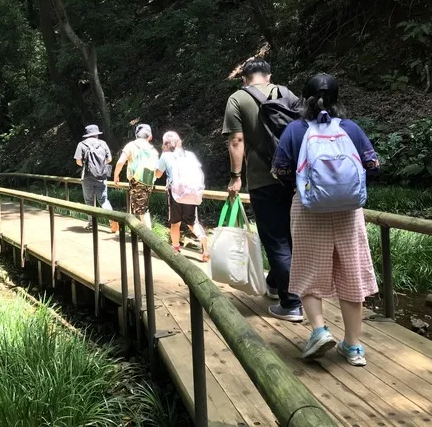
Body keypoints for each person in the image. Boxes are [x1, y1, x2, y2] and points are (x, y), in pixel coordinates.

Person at [271, 73, 379, 366]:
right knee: (351, 271)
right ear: (337, 99)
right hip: (348, 212)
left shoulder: (295, 130)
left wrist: (302, 186)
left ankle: (319, 330)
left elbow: (280, 171)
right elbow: (372, 164)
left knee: (308, 270)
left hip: (308, 209)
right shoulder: (350, 128)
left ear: (304, 100)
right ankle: (354, 347)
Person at [223, 57, 303, 322]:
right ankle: (274, 284)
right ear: (268, 76)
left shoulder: (237, 98)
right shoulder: (287, 93)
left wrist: (236, 177)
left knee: (276, 240)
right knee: (288, 237)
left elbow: (236, 139)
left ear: (244, 78)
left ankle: (292, 303)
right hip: (293, 178)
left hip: (262, 178)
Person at [155, 131, 208, 261]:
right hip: (192, 191)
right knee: (192, 222)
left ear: (165, 144)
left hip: (175, 193)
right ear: (180, 141)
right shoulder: (190, 155)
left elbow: (157, 174)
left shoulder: (165, 156)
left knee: (175, 223)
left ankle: (176, 250)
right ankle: (205, 247)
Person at [74, 124, 119, 233]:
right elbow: (109, 159)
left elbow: (78, 161)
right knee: (103, 200)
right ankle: (112, 219)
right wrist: (99, 165)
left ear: (87, 134)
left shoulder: (82, 144)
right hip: (102, 176)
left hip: (87, 177)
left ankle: (92, 224)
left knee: (89, 201)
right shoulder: (102, 143)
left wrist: (88, 165)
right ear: (96, 134)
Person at [113, 124, 158, 229]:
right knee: (143, 209)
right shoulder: (152, 149)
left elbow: (120, 162)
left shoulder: (131, 145)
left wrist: (116, 176)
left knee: (142, 211)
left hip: (137, 182)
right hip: (149, 181)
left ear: (136, 134)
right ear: (149, 136)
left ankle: (149, 238)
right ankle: (145, 236)